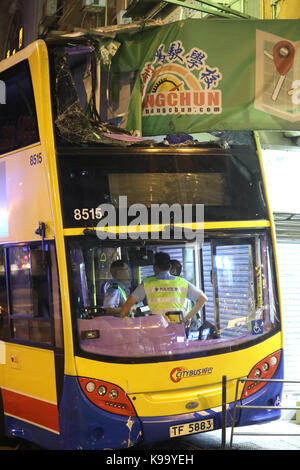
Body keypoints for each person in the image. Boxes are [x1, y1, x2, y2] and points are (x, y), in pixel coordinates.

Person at [120, 252, 207, 326]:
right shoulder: (182, 282)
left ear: (155, 267)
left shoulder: (148, 283)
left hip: (156, 328)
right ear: (169, 267)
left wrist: (122, 322)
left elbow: (128, 303)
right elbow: (203, 299)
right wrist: (187, 317)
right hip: (176, 328)